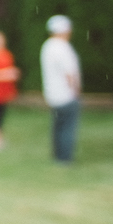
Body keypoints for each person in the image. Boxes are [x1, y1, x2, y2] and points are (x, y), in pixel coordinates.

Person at [40, 14, 83, 163]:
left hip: (53, 94)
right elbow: (70, 74)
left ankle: (57, 155)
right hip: (66, 94)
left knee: (57, 126)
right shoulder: (63, 47)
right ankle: (65, 158)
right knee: (67, 128)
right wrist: (76, 92)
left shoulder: (47, 46)